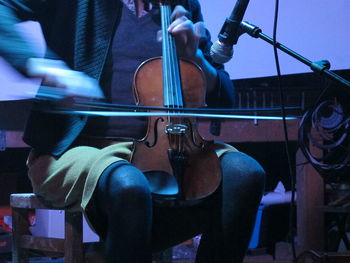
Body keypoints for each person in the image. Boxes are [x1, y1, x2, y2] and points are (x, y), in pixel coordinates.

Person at [0, 0, 265, 262]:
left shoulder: (181, 4)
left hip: (171, 148)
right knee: (129, 183)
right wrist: (42, 67)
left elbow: (224, 98)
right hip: (78, 150)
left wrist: (195, 59)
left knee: (245, 174)